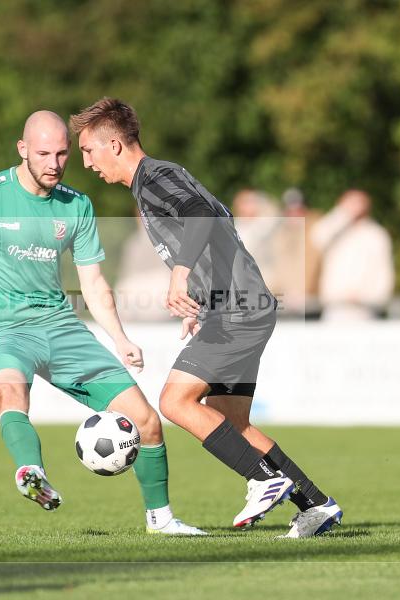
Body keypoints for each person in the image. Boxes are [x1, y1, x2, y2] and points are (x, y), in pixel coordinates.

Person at [70, 97, 341, 538]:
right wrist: (201, 295)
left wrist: (180, 276)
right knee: (231, 422)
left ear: (115, 145)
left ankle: (263, 478)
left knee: (174, 402)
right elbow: (221, 218)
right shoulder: (157, 182)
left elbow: (202, 216)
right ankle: (316, 505)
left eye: (88, 151)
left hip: (239, 307)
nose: (86, 163)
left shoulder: (154, 177)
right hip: (238, 305)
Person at [0, 110, 205, 535]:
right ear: (23, 150)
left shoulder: (77, 205)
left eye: (62, 153)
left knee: (147, 420)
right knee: (9, 391)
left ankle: (162, 520)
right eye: (43, 153)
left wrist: (120, 338)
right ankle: (31, 473)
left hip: (61, 329)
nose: (54, 163)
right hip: (4, 331)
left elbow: (93, 282)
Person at [311, 189, 394, 320]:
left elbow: (384, 273)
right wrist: (342, 213)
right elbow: (317, 236)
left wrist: (372, 297)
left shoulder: (376, 235)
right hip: (334, 307)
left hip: (365, 309)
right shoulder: (334, 230)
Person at [269, 188, 322, 314]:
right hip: (282, 302)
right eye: (290, 211)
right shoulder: (278, 236)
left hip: (309, 302)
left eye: (298, 210)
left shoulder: (316, 231)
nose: (294, 215)